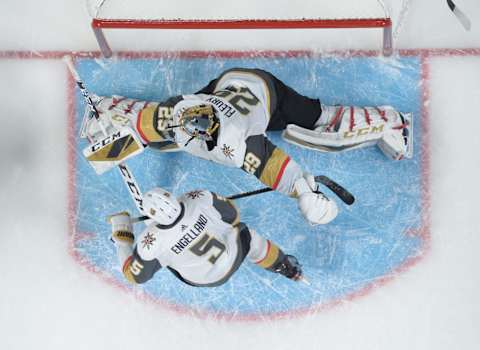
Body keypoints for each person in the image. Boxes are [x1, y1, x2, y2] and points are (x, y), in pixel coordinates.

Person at [85, 68, 412, 225]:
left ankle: (390, 119)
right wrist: (110, 133)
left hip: (267, 90)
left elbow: (274, 165)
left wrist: (304, 193)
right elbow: (147, 125)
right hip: (222, 85)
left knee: (316, 117)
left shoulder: (236, 142)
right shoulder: (176, 112)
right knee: (161, 142)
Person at [109, 187, 303, 286]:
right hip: (231, 257)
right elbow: (234, 216)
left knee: (163, 258)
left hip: (202, 279)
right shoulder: (198, 197)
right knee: (248, 236)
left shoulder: (149, 242)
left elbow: (135, 277)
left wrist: (122, 238)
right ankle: (284, 265)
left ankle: (121, 238)